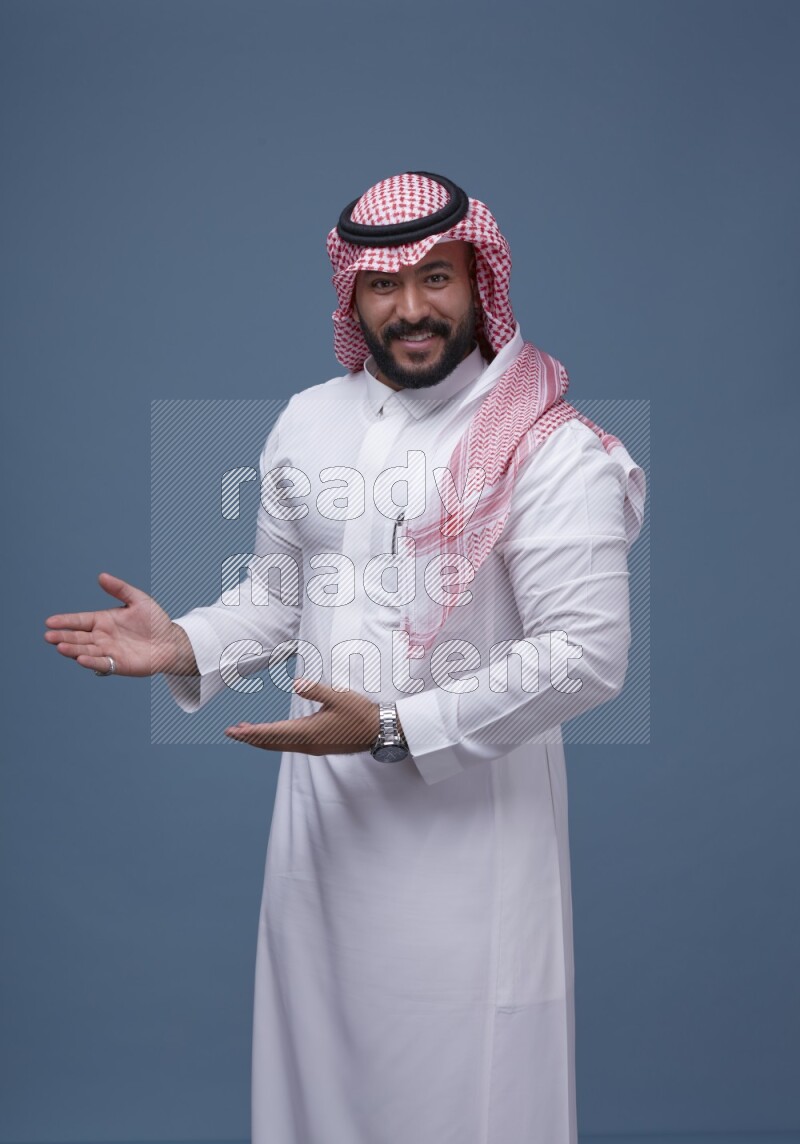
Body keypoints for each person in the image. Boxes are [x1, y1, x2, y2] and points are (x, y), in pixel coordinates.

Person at [45, 172, 646, 1144]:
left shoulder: (549, 450)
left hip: (470, 867)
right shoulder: (310, 420)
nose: (410, 308)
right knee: (316, 1103)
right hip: (319, 856)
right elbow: (280, 600)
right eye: (383, 285)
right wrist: (184, 641)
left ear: (477, 277)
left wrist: (397, 727)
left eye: (435, 278)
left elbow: (585, 655)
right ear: (351, 294)